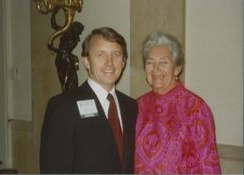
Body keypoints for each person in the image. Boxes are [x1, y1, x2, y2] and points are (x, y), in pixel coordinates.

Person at [40, 27, 138, 173]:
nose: (109, 63)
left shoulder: (131, 106)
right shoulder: (63, 106)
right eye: (101, 54)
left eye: (116, 55)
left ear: (123, 62)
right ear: (86, 61)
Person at [134, 31, 221, 174]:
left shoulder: (195, 108)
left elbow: (209, 167)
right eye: (150, 62)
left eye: (164, 62)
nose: (156, 69)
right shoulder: (138, 106)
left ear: (177, 68)